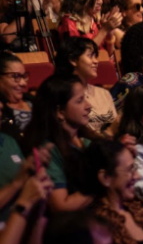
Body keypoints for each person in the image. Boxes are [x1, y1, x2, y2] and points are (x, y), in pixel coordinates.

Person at [25, 76, 94, 213]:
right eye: (80, 101)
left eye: (85, 98)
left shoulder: (88, 140)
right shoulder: (49, 150)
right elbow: (61, 205)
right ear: (60, 112)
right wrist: (103, 183)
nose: (88, 106)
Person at [53, 36, 118, 135]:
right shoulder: (62, 94)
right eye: (90, 56)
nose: (96, 61)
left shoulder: (104, 93)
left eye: (95, 56)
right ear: (73, 60)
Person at [58, 0, 122, 48]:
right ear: (81, 0)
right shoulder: (69, 22)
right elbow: (80, 55)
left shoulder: (95, 21)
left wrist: (109, 32)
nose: (100, 1)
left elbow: (109, 54)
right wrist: (104, 30)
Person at [0, 51, 32, 133]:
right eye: (15, 76)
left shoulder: (31, 100)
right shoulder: (2, 112)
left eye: (24, 76)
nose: (23, 83)